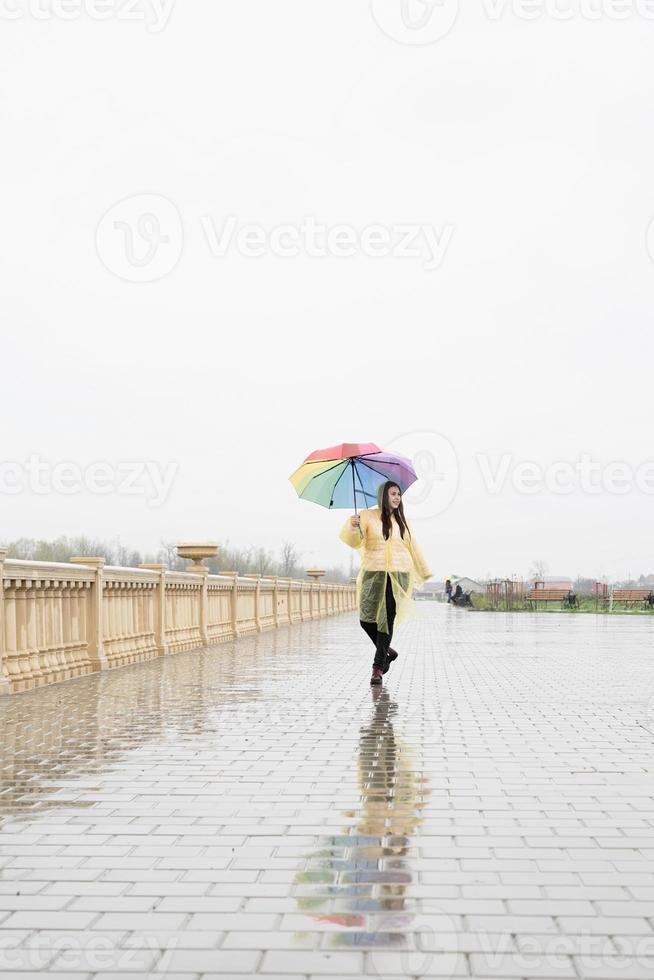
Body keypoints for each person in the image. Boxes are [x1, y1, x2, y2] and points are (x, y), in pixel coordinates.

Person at [338, 480, 433, 686]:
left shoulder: (402, 521)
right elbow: (354, 541)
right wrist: (352, 526)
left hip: (399, 574)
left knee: (386, 619)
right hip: (374, 572)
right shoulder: (366, 516)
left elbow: (413, 547)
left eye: (399, 494)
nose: (397, 497)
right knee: (366, 619)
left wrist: (424, 571)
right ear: (383, 495)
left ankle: (377, 668)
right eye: (393, 494)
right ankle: (387, 652)